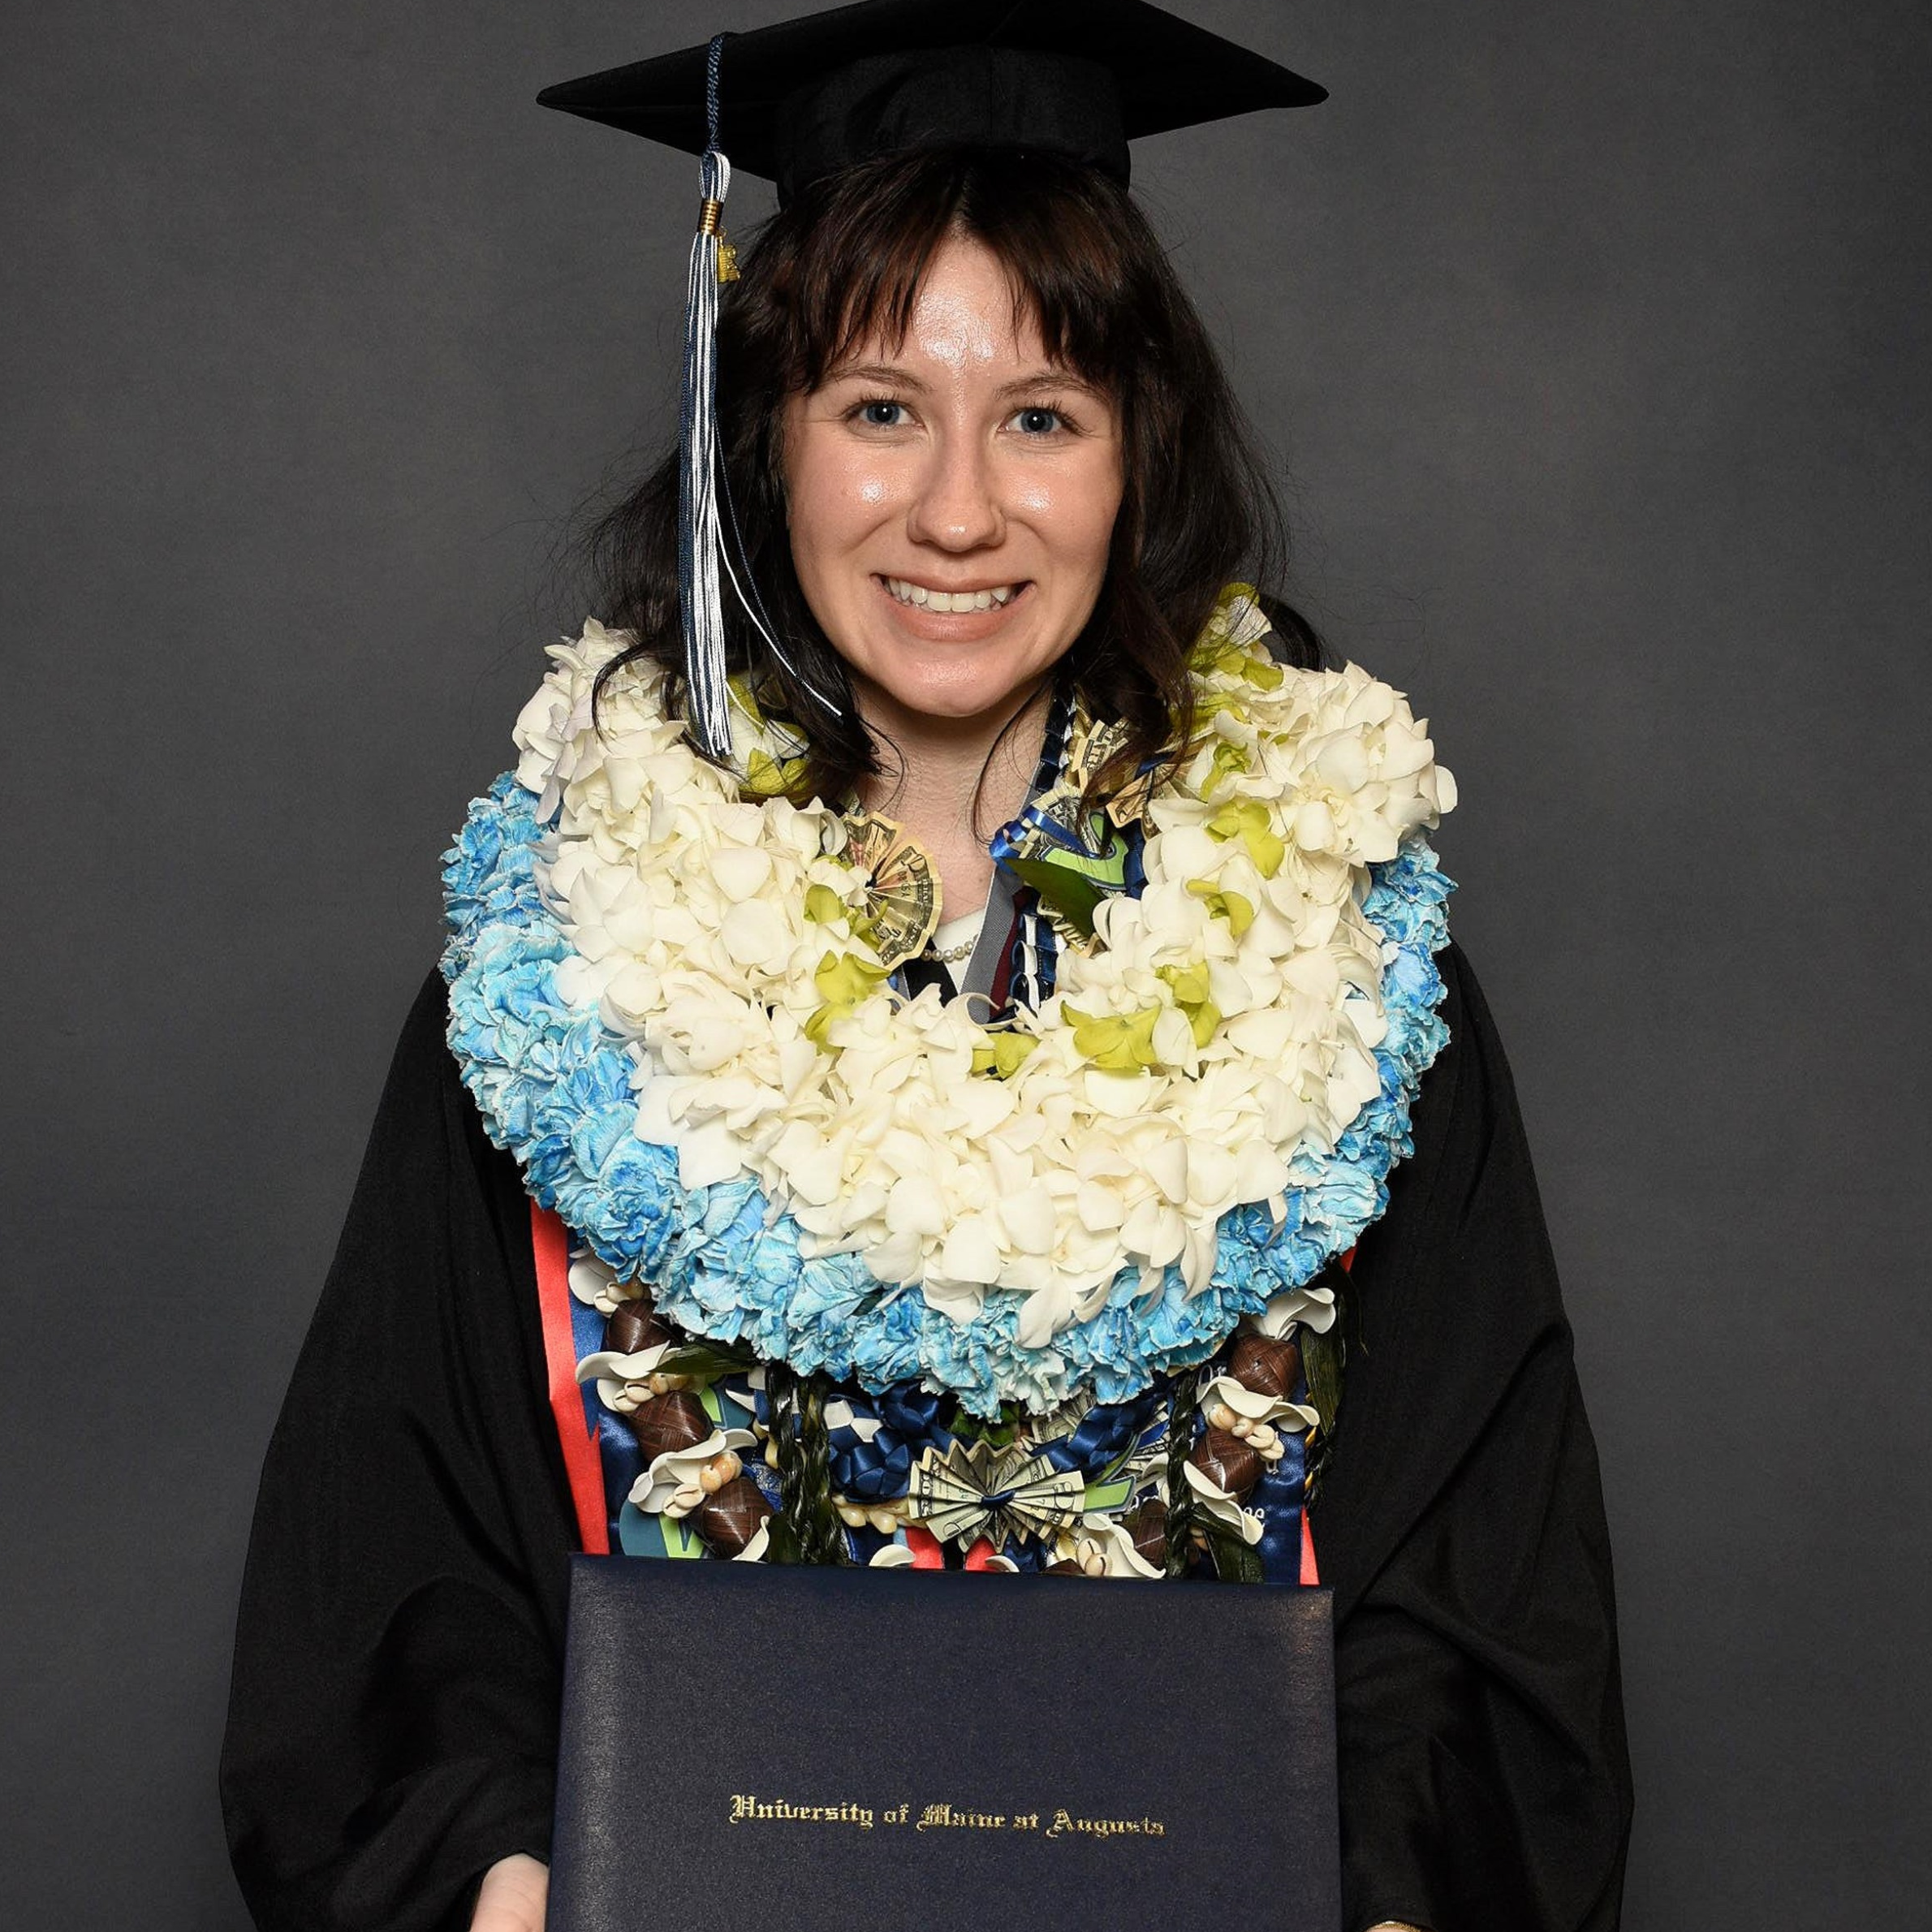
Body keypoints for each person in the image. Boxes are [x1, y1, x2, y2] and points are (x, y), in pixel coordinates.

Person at [220, 6, 1632, 1930]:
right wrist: (495, 1867)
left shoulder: (1342, 972)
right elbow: (394, 1558)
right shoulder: (570, 975)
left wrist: (1389, 1890)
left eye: (1040, 414)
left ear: (1136, 456)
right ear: (765, 442)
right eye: (878, 407)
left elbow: (1474, 1569)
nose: (956, 508)